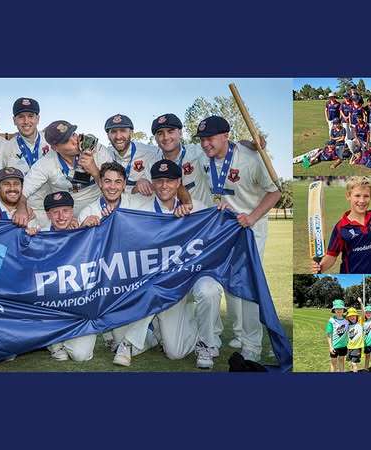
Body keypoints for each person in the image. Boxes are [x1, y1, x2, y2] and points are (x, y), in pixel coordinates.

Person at [189, 115, 280, 362]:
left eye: (210, 138)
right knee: (226, 280)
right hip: (222, 230)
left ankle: (252, 345)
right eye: (202, 140)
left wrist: (251, 217)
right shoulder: (201, 157)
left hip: (250, 229)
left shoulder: (252, 158)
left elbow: (275, 193)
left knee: (247, 284)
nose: (205, 144)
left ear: (225, 136)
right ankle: (239, 333)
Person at [130, 160, 221, 369]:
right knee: (175, 352)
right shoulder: (142, 208)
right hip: (166, 286)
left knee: (209, 290)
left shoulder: (197, 207)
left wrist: (223, 211)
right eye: (159, 181)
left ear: (179, 181)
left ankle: (207, 342)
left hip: (193, 277)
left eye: (170, 181)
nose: (164, 185)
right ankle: (172, 326)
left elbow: (217, 232)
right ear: (152, 183)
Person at [33, 191, 97, 362]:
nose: (61, 217)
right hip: (50, 306)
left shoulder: (82, 232)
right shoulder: (38, 236)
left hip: (78, 306)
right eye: (55, 212)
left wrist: (89, 227)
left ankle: (62, 338)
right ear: (48, 214)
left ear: (72, 211)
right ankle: (54, 343)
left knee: (81, 356)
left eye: (66, 211)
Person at [22, 120, 113, 220]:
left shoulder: (96, 149)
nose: (75, 141)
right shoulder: (46, 162)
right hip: (68, 216)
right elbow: (23, 191)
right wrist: (21, 207)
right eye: (66, 140)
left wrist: (95, 171)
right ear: (55, 148)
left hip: (101, 206)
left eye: (73, 134)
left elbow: (115, 186)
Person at [312, 176, 371, 274]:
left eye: (366, 196)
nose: (362, 200)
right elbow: (332, 256)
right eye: (357, 196)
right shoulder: (341, 227)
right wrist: (320, 267)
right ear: (348, 196)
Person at [102, 114, 157, 196]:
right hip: (113, 203)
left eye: (123, 130)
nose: (118, 136)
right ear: (108, 135)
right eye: (113, 131)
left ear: (131, 132)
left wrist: (146, 181)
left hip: (140, 204)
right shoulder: (105, 153)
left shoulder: (151, 153)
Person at [78, 162, 142, 228]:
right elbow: (81, 238)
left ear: (124, 184)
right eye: (107, 181)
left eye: (118, 182)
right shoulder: (88, 213)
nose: (112, 187)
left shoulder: (135, 207)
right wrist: (83, 228)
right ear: (100, 183)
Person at [325, 300, 348, 373]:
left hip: (344, 346)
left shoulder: (346, 320)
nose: (339, 310)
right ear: (334, 310)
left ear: (343, 310)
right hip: (334, 346)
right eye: (337, 309)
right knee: (333, 363)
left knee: (341, 361)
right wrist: (330, 347)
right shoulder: (331, 320)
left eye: (340, 309)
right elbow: (328, 334)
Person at [344, 307, 364, 372]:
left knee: (354, 363)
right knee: (351, 363)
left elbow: (363, 313)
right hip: (349, 347)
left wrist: (361, 303)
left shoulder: (360, 323)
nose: (352, 317)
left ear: (356, 316)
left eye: (353, 316)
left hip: (357, 347)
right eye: (350, 316)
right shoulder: (348, 325)